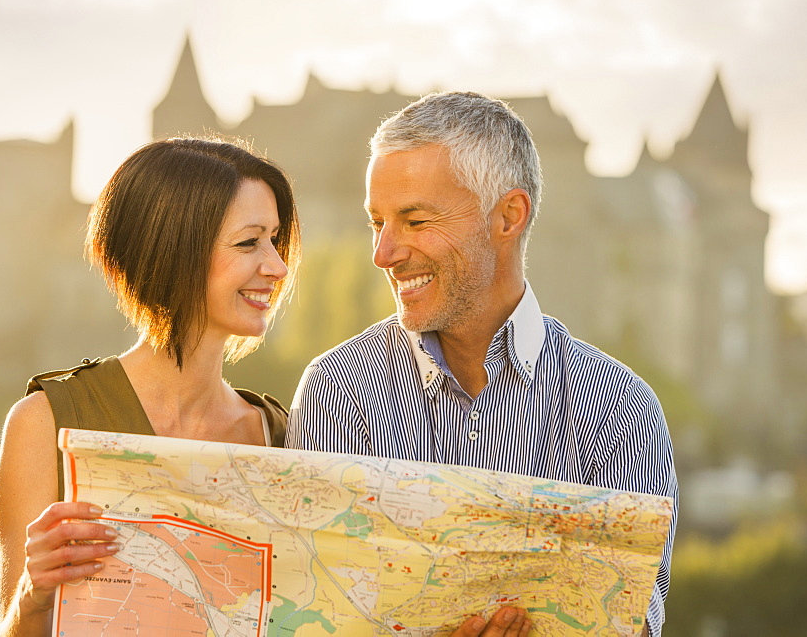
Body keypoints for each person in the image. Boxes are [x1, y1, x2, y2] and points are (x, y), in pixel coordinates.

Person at [286, 91, 677, 637]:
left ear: (508, 216)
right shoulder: (337, 390)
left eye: (415, 221)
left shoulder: (619, 410)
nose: (383, 252)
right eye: (377, 223)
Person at [0, 136, 300, 637]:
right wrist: (32, 597)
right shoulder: (45, 423)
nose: (278, 266)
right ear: (172, 250)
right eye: (249, 242)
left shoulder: (283, 433)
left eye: (275, 239)